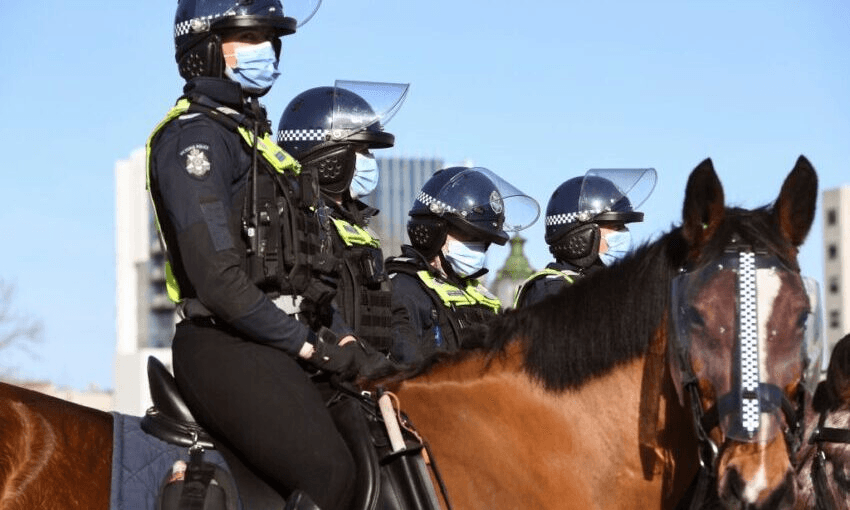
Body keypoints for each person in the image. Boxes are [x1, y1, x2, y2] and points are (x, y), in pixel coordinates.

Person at [145, 1, 394, 508]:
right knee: (330, 473)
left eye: (270, 38)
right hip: (226, 343)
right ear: (207, 49)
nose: (268, 50)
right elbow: (218, 281)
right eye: (251, 36)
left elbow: (307, 270)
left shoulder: (261, 146)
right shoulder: (195, 138)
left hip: (281, 341)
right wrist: (308, 346)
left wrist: (341, 332)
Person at [277, 80, 409, 355]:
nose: (370, 160)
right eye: (362, 151)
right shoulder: (300, 220)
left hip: (367, 374)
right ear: (330, 158)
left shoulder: (360, 229)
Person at [386, 166, 539, 366]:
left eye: (482, 241)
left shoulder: (484, 296)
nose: (477, 248)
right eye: (468, 235)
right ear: (432, 232)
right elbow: (407, 371)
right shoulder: (405, 289)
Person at [513, 168, 656, 308]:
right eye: (616, 227)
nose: (625, 234)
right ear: (582, 236)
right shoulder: (553, 292)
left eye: (623, 227)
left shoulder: (607, 288)